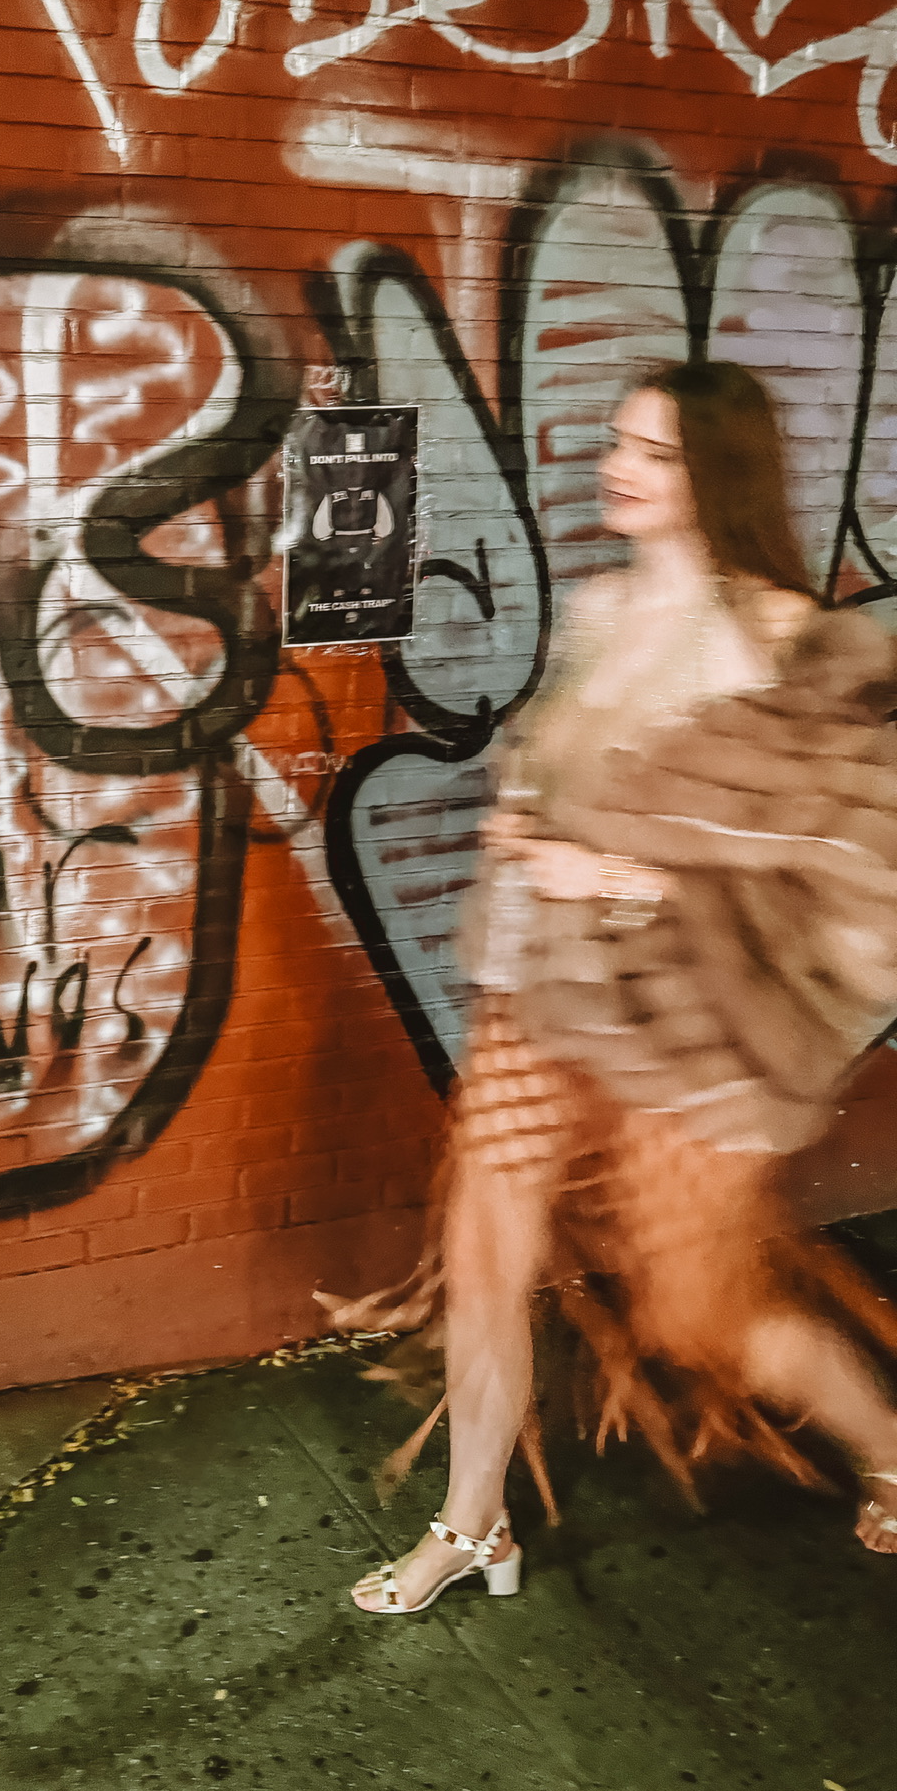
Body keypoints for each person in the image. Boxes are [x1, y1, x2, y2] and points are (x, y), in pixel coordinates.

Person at [317, 360, 897, 1616]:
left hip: (688, 1036)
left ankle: (890, 1444)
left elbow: (831, 867)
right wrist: (527, 848)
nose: (619, 467)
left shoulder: (783, 641)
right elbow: (555, 803)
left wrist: (614, 871)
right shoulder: (593, 615)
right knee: (484, 1258)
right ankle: (471, 1524)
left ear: (718, 476)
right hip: (544, 1003)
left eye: (657, 452)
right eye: (621, 441)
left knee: (704, 1315)